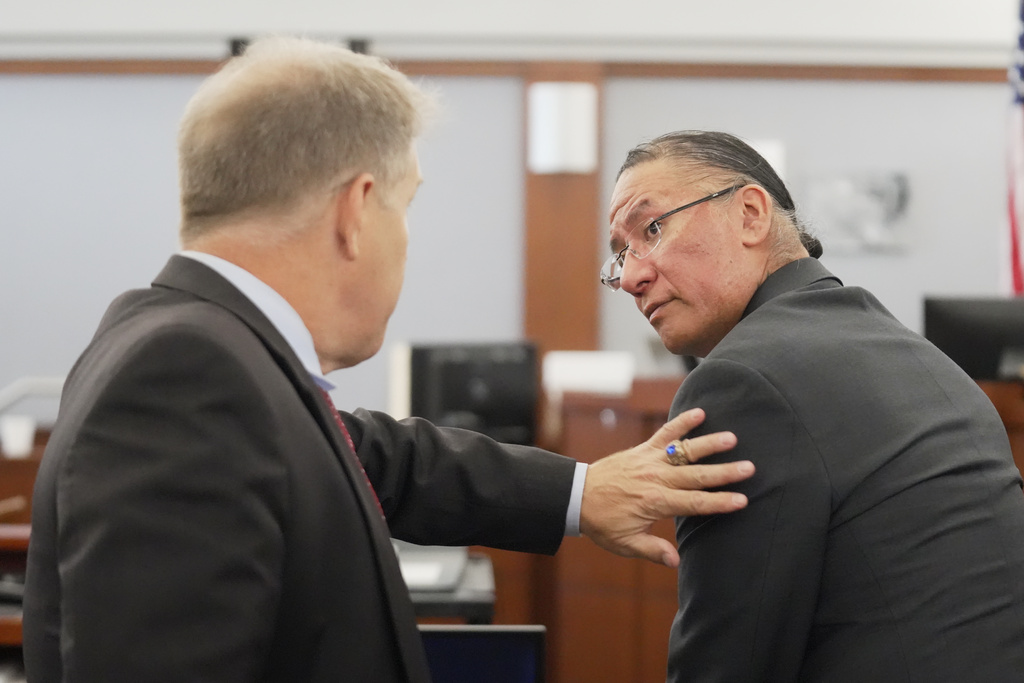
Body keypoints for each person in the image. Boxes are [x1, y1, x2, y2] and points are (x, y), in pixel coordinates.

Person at [21, 41, 756, 683]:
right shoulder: (185, 375)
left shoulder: (198, 350)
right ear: (355, 211)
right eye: (404, 208)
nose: (405, 240)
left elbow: (371, 454)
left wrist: (580, 489)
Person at [603, 129, 1024, 682]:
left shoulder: (740, 383)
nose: (631, 276)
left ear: (750, 214)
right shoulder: (923, 358)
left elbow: (727, 664)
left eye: (651, 229)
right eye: (619, 255)